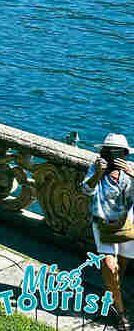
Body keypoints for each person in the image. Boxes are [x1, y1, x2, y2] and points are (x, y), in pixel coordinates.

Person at [80, 133, 134, 330]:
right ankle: (120, 312)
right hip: (102, 223)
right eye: (109, 152)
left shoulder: (131, 169)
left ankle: (111, 296)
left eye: (117, 153)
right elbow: (86, 190)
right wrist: (98, 174)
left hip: (127, 223)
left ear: (125, 154)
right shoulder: (96, 168)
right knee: (110, 266)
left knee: (120, 267)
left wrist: (131, 174)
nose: (113, 157)